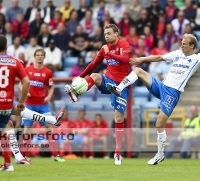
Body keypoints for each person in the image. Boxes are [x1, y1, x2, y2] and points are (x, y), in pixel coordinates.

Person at [106, 33, 200, 165]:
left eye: (184, 44)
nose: (182, 45)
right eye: (182, 43)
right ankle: (119, 88)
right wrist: (142, 59)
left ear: (192, 46)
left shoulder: (197, 59)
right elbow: (160, 57)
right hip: (161, 86)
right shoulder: (178, 54)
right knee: (138, 70)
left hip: (172, 93)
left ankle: (160, 154)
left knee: (159, 124)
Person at [65, 24, 131, 165]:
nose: (106, 36)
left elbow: (125, 60)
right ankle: (76, 92)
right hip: (108, 80)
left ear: (116, 34)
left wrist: (109, 54)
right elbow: (93, 64)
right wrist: (80, 77)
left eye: (109, 33)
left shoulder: (123, 44)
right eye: (105, 34)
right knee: (94, 75)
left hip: (121, 85)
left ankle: (117, 151)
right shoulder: (104, 47)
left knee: (119, 119)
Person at [21, 49, 65, 162]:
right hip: (29, 104)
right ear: (34, 57)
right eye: (38, 55)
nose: (39, 57)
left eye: (41, 55)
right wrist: (25, 93)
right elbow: (21, 85)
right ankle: (25, 156)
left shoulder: (48, 72)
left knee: (49, 129)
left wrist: (49, 96)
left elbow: (51, 87)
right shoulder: (27, 69)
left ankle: (56, 155)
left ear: (44, 57)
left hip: (42, 104)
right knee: (27, 130)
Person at [0, 34, 29, 171]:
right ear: (7, 47)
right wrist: (22, 101)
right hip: (7, 104)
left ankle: (9, 163)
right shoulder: (15, 61)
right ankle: (8, 164)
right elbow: (26, 81)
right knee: (6, 126)